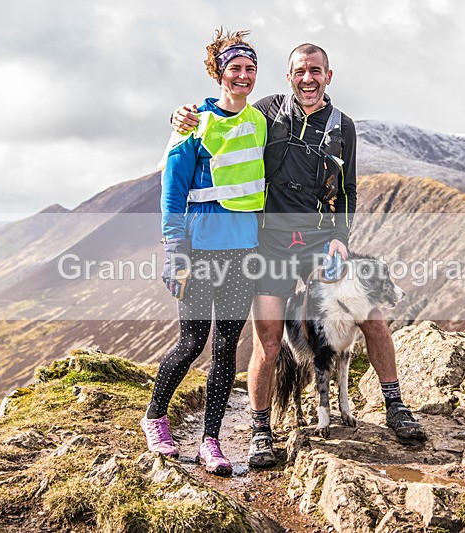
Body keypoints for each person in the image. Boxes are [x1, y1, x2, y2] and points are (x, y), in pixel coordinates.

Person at [172, 43, 425, 469]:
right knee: (269, 341)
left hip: (323, 243)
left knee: (373, 319)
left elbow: (347, 190)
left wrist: (341, 237)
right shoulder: (267, 112)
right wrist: (183, 117)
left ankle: (395, 405)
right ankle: (259, 430)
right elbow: (222, 112)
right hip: (269, 244)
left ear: (329, 75)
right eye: (299, 71)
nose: (307, 78)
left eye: (315, 71)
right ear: (288, 77)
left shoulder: (343, 126)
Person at [140, 29, 266, 476]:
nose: (244, 76)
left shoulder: (260, 120)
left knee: (227, 347)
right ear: (219, 73)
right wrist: (175, 251)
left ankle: (210, 442)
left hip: (243, 252)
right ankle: (156, 417)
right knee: (193, 342)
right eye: (235, 68)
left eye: (250, 68)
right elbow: (172, 194)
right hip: (198, 253)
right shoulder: (193, 123)